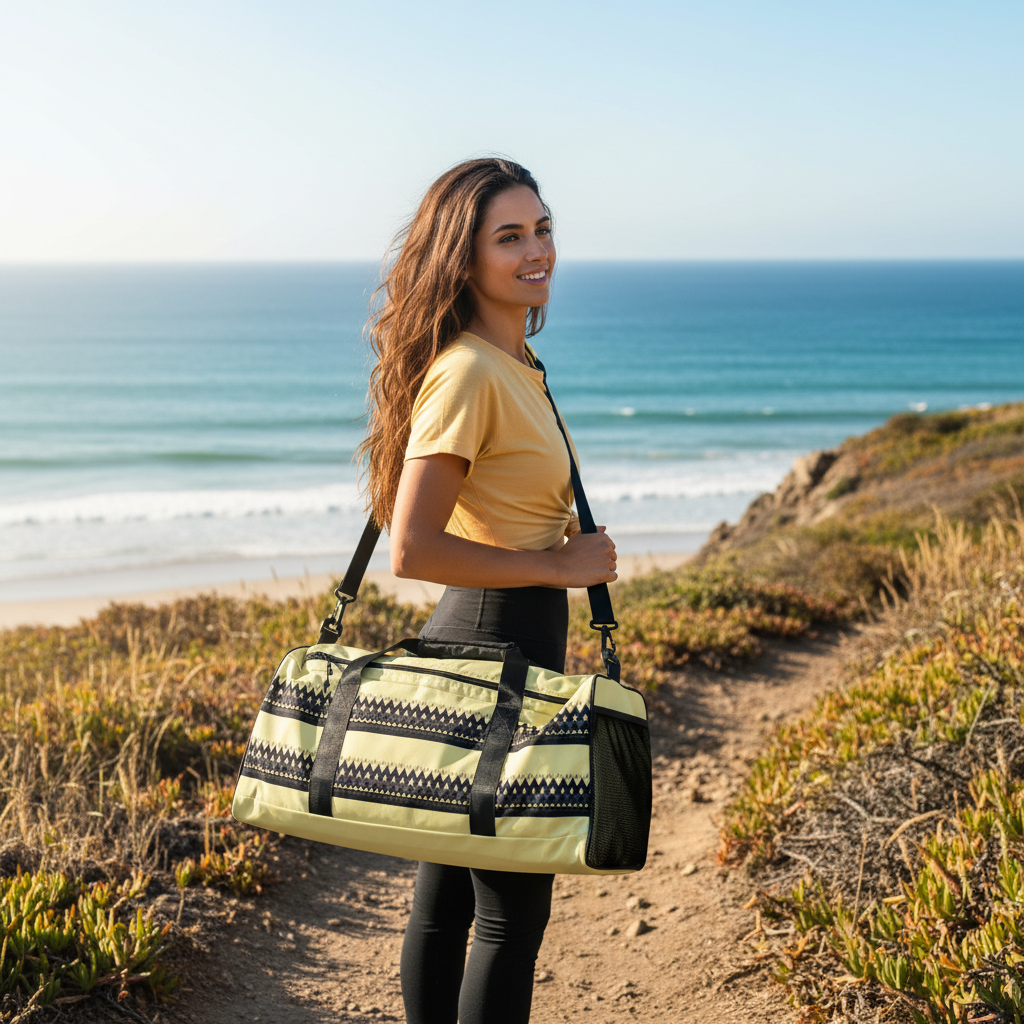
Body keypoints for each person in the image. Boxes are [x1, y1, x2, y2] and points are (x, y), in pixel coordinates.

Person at [356, 157, 618, 1024]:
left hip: (513, 642)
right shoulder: (470, 371)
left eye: (542, 228)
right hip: (492, 642)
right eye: (509, 236)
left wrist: (558, 549)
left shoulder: (516, 362)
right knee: (510, 912)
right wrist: (557, 567)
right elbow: (414, 545)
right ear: (460, 258)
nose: (536, 249)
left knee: (450, 901)